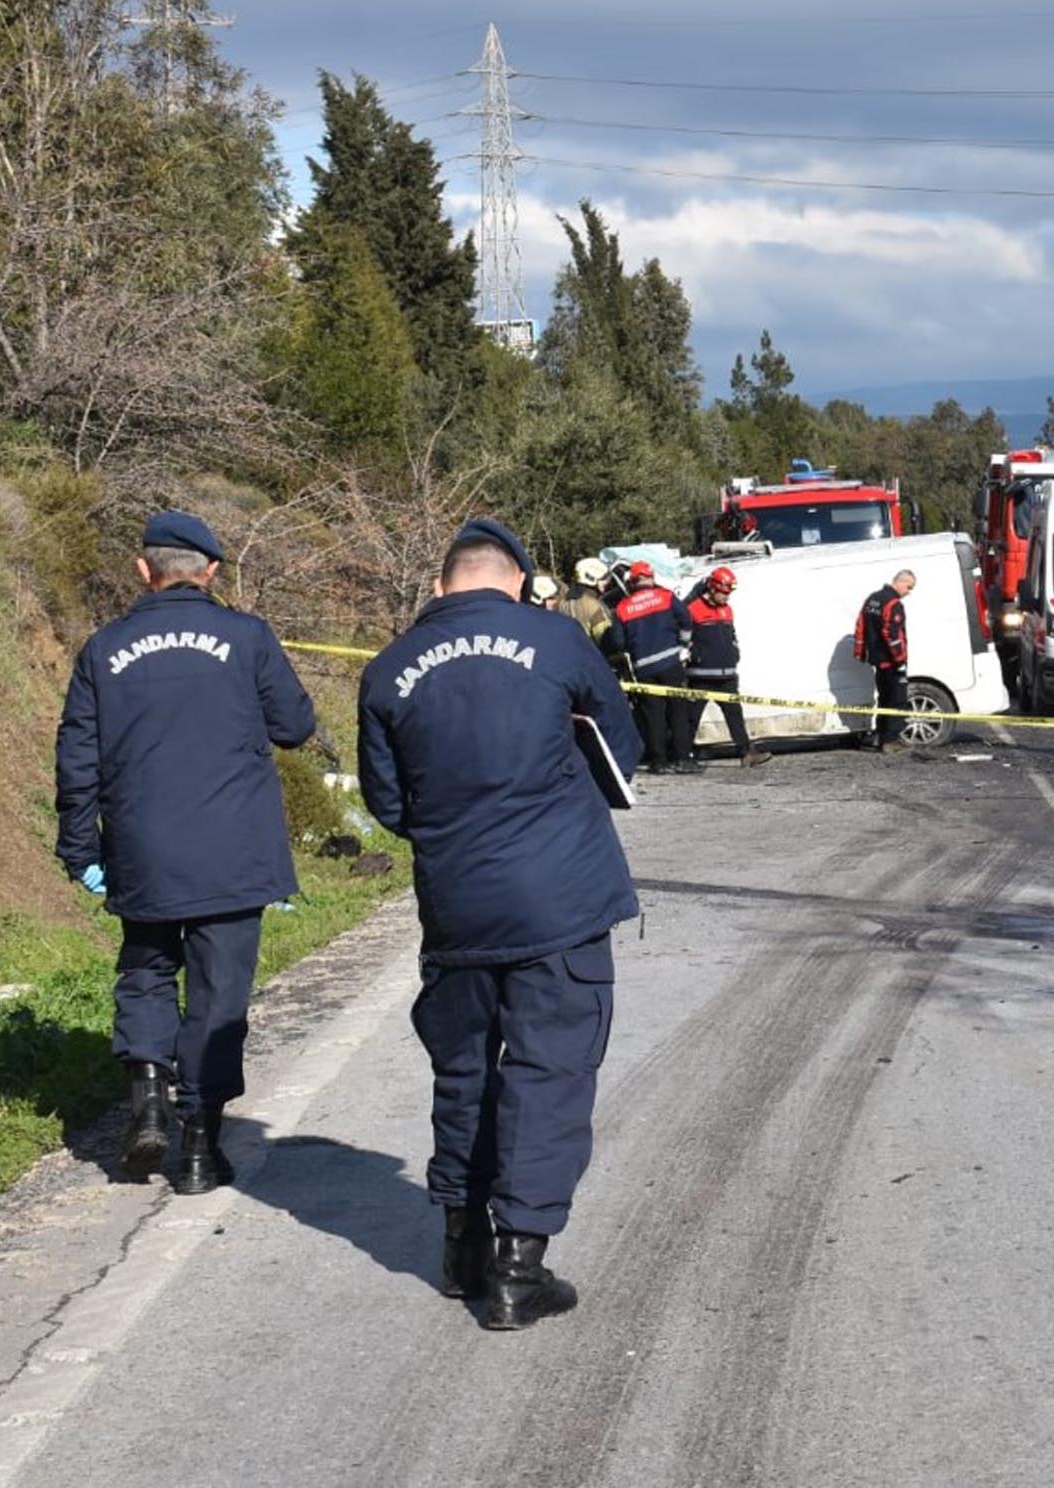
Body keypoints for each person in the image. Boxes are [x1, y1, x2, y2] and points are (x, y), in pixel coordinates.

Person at [358, 517, 640, 1331]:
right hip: (561, 900)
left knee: (464, 1072)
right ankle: (520, 1264)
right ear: (517, 581)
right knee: (548, 1073)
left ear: (442, 584)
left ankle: (461, 1248)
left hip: (455, 906)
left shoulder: (387, 671)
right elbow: (621, 752)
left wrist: (457, 832)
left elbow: (388, 805)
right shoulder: (556, 642)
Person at [54, 510, 317, 1194]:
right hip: (233, 852)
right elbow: (295, 725)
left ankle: (146, 1097)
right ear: (210, 570)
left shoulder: (103, 649)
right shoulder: (246, 636)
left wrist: (80, 846)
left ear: (143, 571)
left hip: (143, 847)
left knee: (145, 968)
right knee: (217, 994)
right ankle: (200, 1146)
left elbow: (76, 761)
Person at [601, 560, 692, 773]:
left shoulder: (623, 608)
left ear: (632, 582)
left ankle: (658, 761)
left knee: (654, 716)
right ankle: (683, 758)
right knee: (678, 711)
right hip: (672, 663)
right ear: (651, 578)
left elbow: (618, 642)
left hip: (644, 669)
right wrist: (684, 646)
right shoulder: (667, 597)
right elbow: (686, 620)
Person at [680, 565, 770, 769]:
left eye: (729, 593)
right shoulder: (692, 609)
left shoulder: (727, 610)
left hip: (727, 676)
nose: (727, 597)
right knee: (691, 719)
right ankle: (685, 756)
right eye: (724, 592)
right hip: (700, 676)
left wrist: (735, 652)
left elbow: (732, 636)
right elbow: (683, 637)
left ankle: (747, 753)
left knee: (735, 717)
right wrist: (692, 657)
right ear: (712, 588)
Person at [853, 568, 917, 752]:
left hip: (877, 659)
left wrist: (861, 651)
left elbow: (860, 625)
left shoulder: (873, 598)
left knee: (884, 698)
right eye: (909, 587)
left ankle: (881, 736)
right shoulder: (893, 603)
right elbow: (892, 634)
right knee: (897, 700)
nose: (909, 592)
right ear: (900, 582)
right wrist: (900, 659)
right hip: (891, 661)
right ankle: (891, 740)